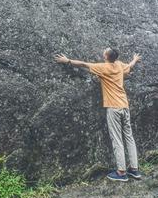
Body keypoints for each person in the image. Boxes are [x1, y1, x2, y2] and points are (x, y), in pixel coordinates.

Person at [54, 48, 143, 182]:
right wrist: (135, 60)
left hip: (113, 107)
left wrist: (67, 61)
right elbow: (129, 67)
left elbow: (84, 64)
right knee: (129, 137)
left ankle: (121, 172)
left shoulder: (103, 67)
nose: (103, 51)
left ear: (106, 56)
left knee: (117, 139)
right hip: (124, 105)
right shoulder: (119, 65)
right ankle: (134, 170)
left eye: (105, 51)